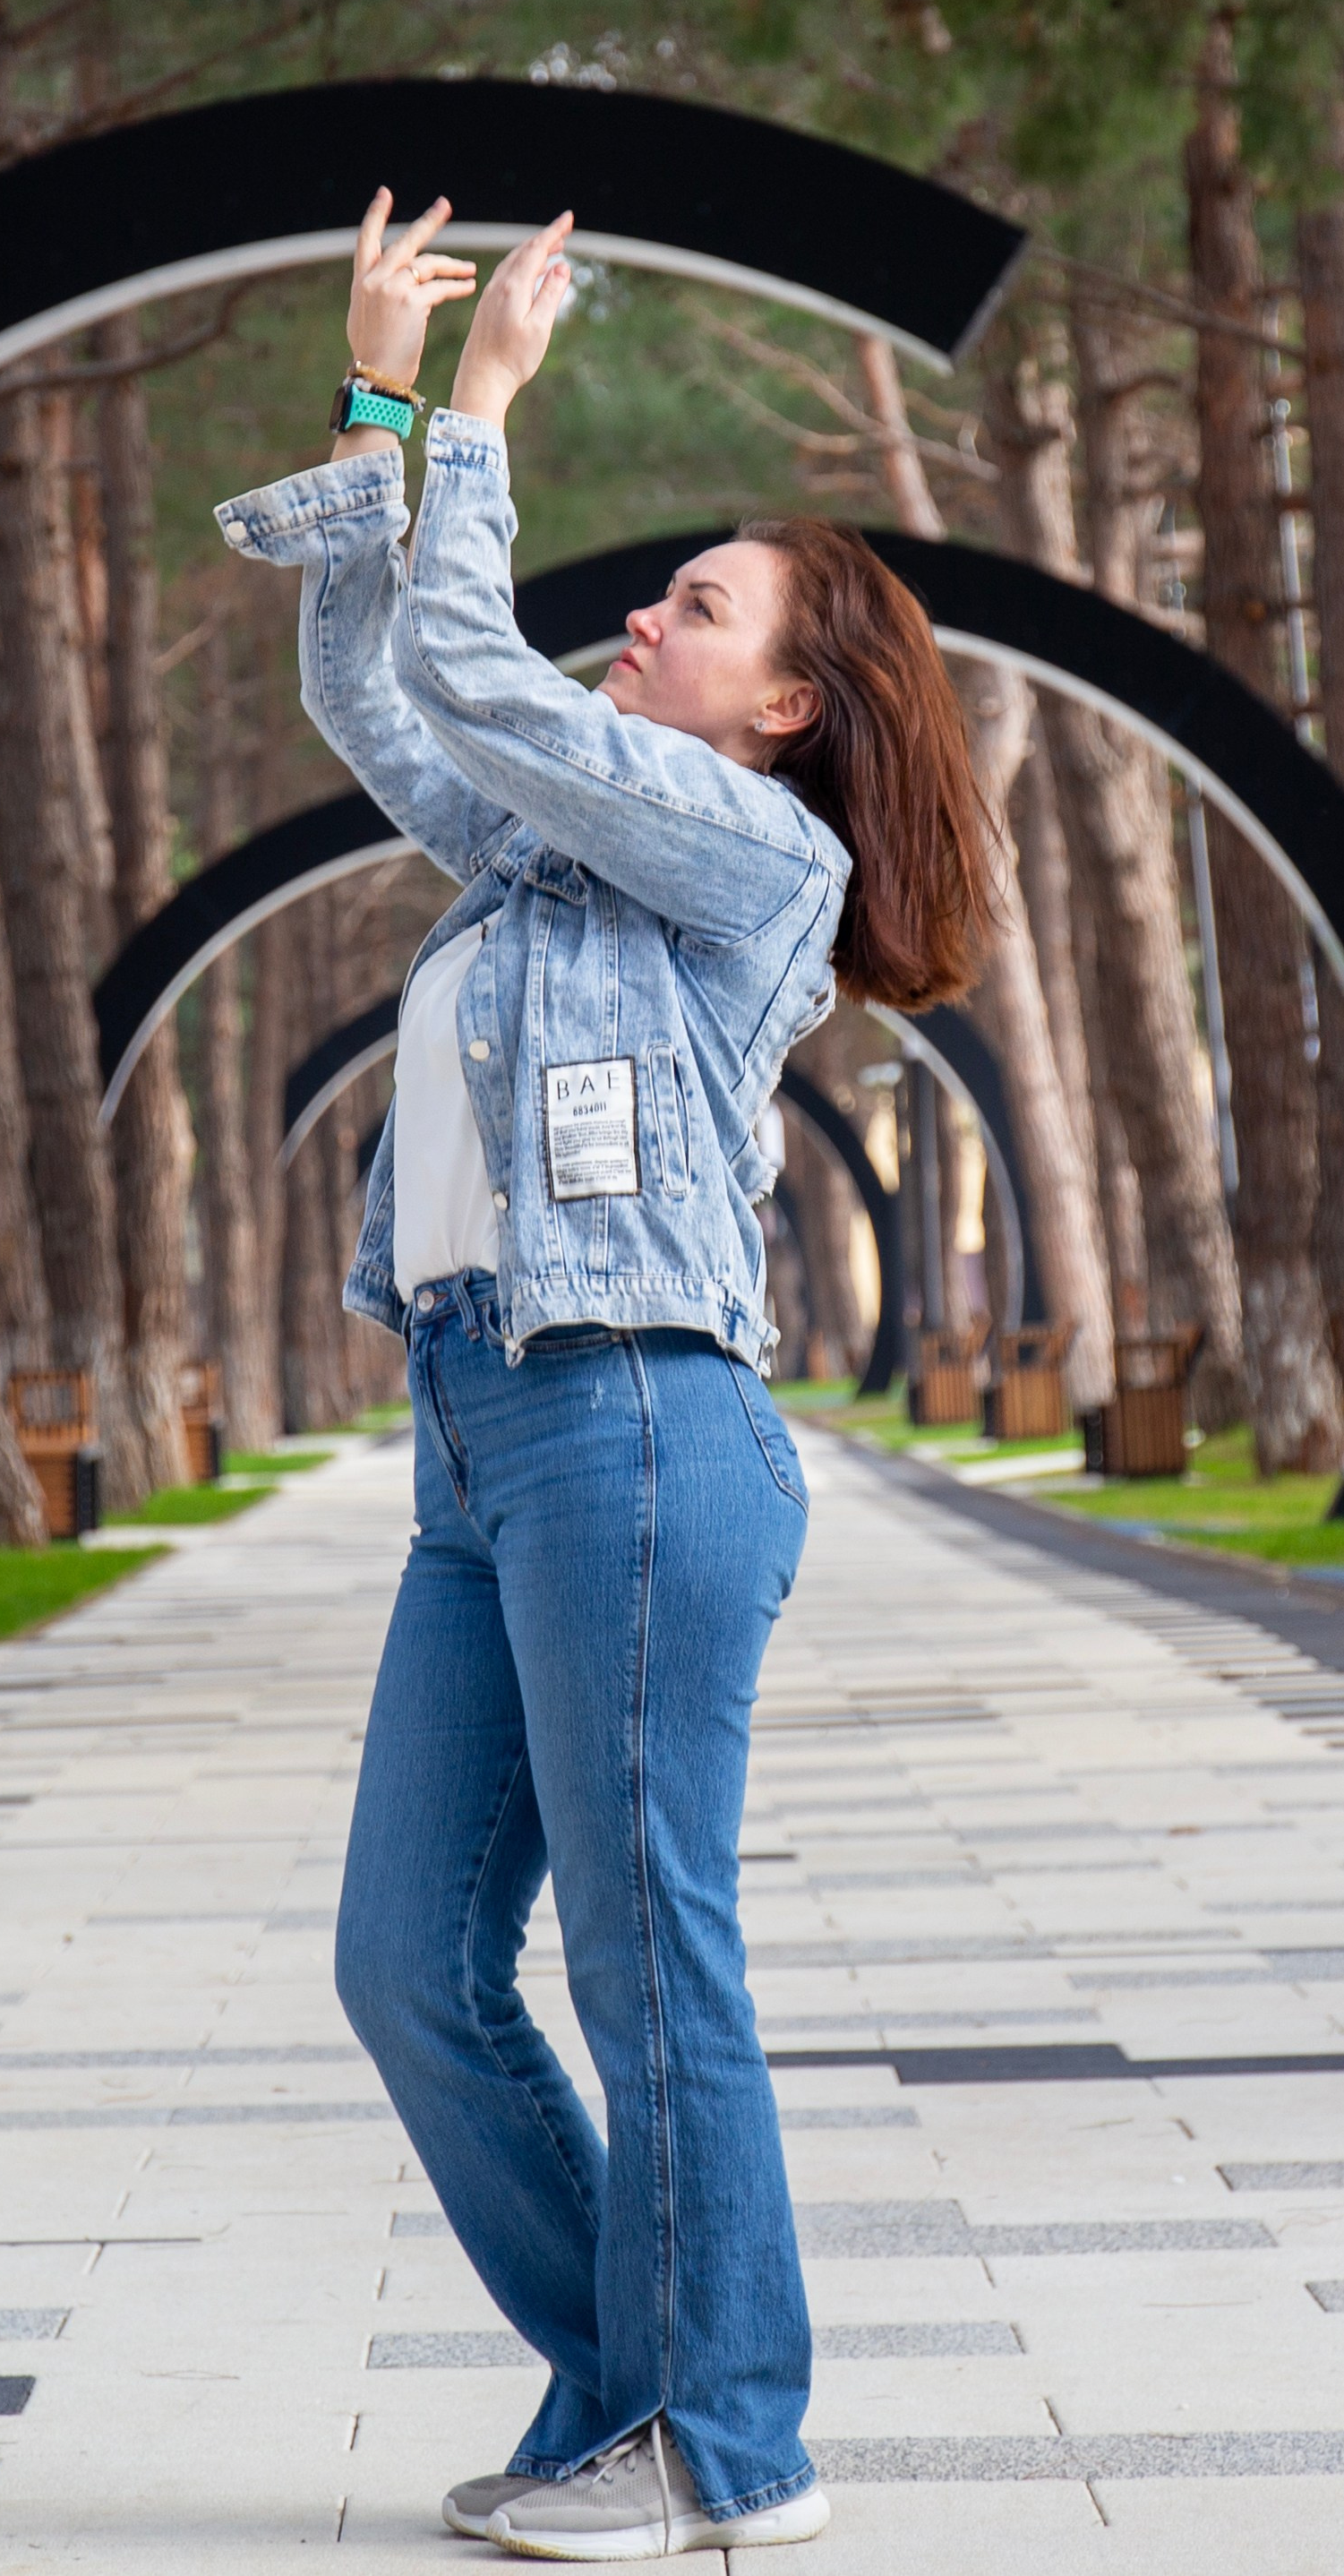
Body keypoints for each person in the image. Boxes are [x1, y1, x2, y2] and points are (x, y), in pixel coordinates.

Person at [216, 193, 991, 2561]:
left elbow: (471, 665)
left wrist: (481, 408)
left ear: (785, 707)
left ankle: (723, 2445)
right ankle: (632, 2401)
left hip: (633, 1421)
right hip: (488, 1422)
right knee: (408, 1964)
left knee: (652, 1950)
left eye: (703, 609)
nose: (645, 610)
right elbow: (389, 690)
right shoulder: (560, 867)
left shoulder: (741, 847)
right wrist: (373, 385)